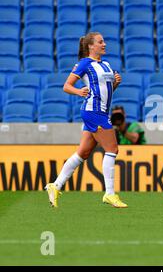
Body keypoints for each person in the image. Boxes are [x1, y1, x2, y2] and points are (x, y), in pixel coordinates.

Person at [45, 32, 128, 208]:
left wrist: (115, 84)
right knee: (112, 148)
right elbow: (67, 86)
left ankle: (55, 185)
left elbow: (105, 91)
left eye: (104, 41)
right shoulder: (84, 64)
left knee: (83, 153)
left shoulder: (105, 65)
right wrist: (78, 91)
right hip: (93, 111)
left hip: (101, 112)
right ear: (91, 46)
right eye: (100, 42)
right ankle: (110, 194)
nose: (104, 44)